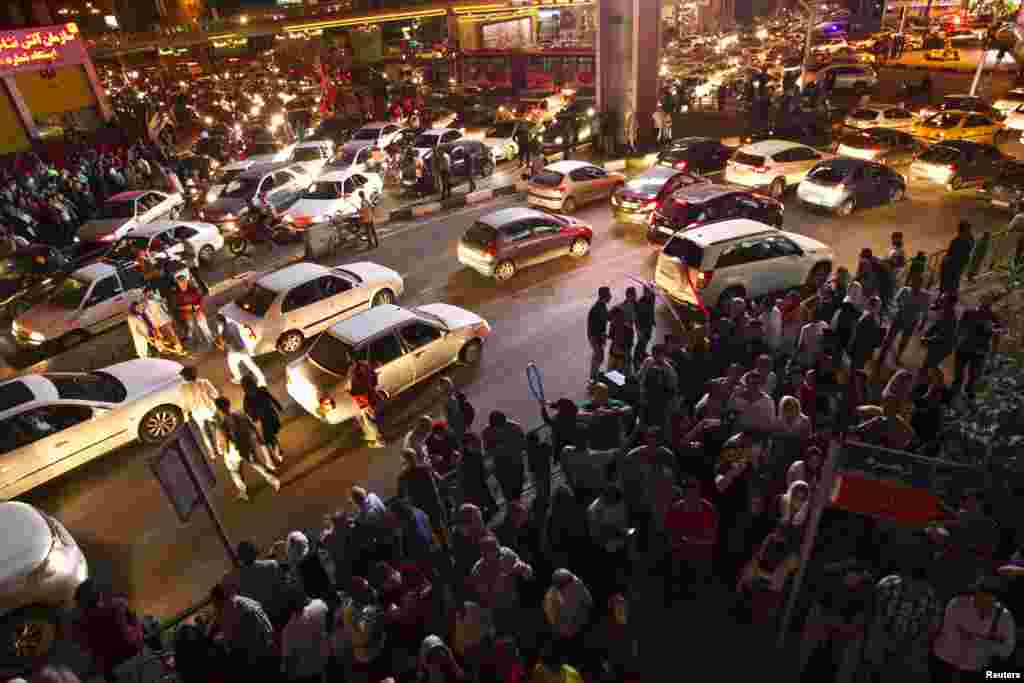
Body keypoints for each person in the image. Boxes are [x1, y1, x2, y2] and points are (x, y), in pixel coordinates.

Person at [931, 576, 1016, 679]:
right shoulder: (957, 604)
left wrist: (980, 641)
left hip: (975, 670)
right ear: (976, 590)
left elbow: (1007, 650)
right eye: (983, 591)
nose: (986, 596)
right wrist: (986, 643)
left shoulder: (1004, 617)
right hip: (944, 662)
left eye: (992, 593)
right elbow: (952, 637)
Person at [71, 579, 144, 683]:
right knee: (150, 622)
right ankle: (166, 661)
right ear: (99, 595)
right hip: (131, 652)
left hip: (108, 666)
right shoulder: (118, 605)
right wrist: (137, 627)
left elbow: (85, 648)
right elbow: (131, 632)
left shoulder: (80, 623)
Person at [212, 396, 281, 502]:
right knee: (257, 464)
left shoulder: (222, 423)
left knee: (235, 471)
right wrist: (258, 439)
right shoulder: (240, 414)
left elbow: (224, 439)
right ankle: (274, 480)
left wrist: (223, 451)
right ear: (228, 405)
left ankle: (243, 492)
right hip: (247, 445)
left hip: (233, 451)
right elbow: (252, 427)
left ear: (218, 409)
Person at [208, 583, 277, 676]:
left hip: (258, 654)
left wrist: (218, 639)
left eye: (214, 602)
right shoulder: (240, 600)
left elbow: (230, 640)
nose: (214, 606)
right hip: (269, 645)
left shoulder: (228, 610)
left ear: (219, 599)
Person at [953, 299, 1002, 400]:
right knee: (958, 374)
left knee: (973, 376)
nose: (985, 308)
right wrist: (957, 340)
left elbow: (1001, 331)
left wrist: (993, 330)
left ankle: (968, 395)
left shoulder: (993, 316)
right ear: (980, 303)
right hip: (964, 347)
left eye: (988, 306)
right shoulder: (969, 312)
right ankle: (955, 394)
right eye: (984, 305)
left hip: (980, 351)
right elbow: (959, 327)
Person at [880, 274, 929, 365]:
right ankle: (882, 355)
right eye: (914, 282)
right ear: (912, 282)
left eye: (918, 283)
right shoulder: (905, 290)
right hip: (900, 317)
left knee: (904, 341)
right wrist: (898, 308)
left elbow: (925, 312)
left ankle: (897, 357)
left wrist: (922, 323)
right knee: (889, 338)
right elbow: (896, 301)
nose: (916, 284)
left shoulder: (925, 296)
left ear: (921, 283)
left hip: (911, 321)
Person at [242, 374, 286, 465]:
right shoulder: (261, 390)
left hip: (262, 420)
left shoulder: (246, 398)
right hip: (271, 416)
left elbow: (247, 411)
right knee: (271, 436)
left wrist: (252, 419)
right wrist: (279, 407)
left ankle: (278, 452)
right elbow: (272, 399)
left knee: (269, 437)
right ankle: (278, 451)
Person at [214, 313, 266, 386]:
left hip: (235, 352)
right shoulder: (232, 324)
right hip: (243, 348)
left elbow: (223, 347)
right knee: (251, 365)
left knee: (232, 364)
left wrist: (217, 343)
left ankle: (238, 378)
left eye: (217, 322)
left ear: (219, 322)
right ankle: (262, 380)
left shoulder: (224, 332)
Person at [180, 366, 220, 458]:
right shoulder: (204, 382)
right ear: (195, 374)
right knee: (217, 429)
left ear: (185, 377)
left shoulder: (183, 388)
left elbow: (184, 404)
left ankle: (212, 453)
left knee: (204, 433)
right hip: (210, 410)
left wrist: (186, 417)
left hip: (197, 414)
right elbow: (215, 394)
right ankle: (219, 448)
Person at [349, 358, 384, 448]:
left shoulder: (358, 375)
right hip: (368, 401)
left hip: (366, 402)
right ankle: (377, 439)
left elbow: (357, 391)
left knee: (369, 422)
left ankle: (378, 440)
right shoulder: (367, 372)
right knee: (369, 421)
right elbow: (374, 383)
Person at [940, 221, 974, 293]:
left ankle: (950, 292)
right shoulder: (957, 240)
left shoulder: (966, 240)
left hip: (957, 264)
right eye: (968, 229)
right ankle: (948, 292)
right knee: (953, 280)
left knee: (954, 279)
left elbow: (967, 250)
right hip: (954, 263)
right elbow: (950, 252)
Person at [587, 286, 612, 382]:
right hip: (595, 337)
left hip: (596, 337)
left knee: (598, 356)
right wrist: (600, 338)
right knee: (599, 356)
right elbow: (595, 326)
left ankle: (594, 376)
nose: (611, 296)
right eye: (609, 295)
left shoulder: (601, 306)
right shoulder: (598, 308)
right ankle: (593, 378)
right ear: (604, 296)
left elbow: (606, 317)